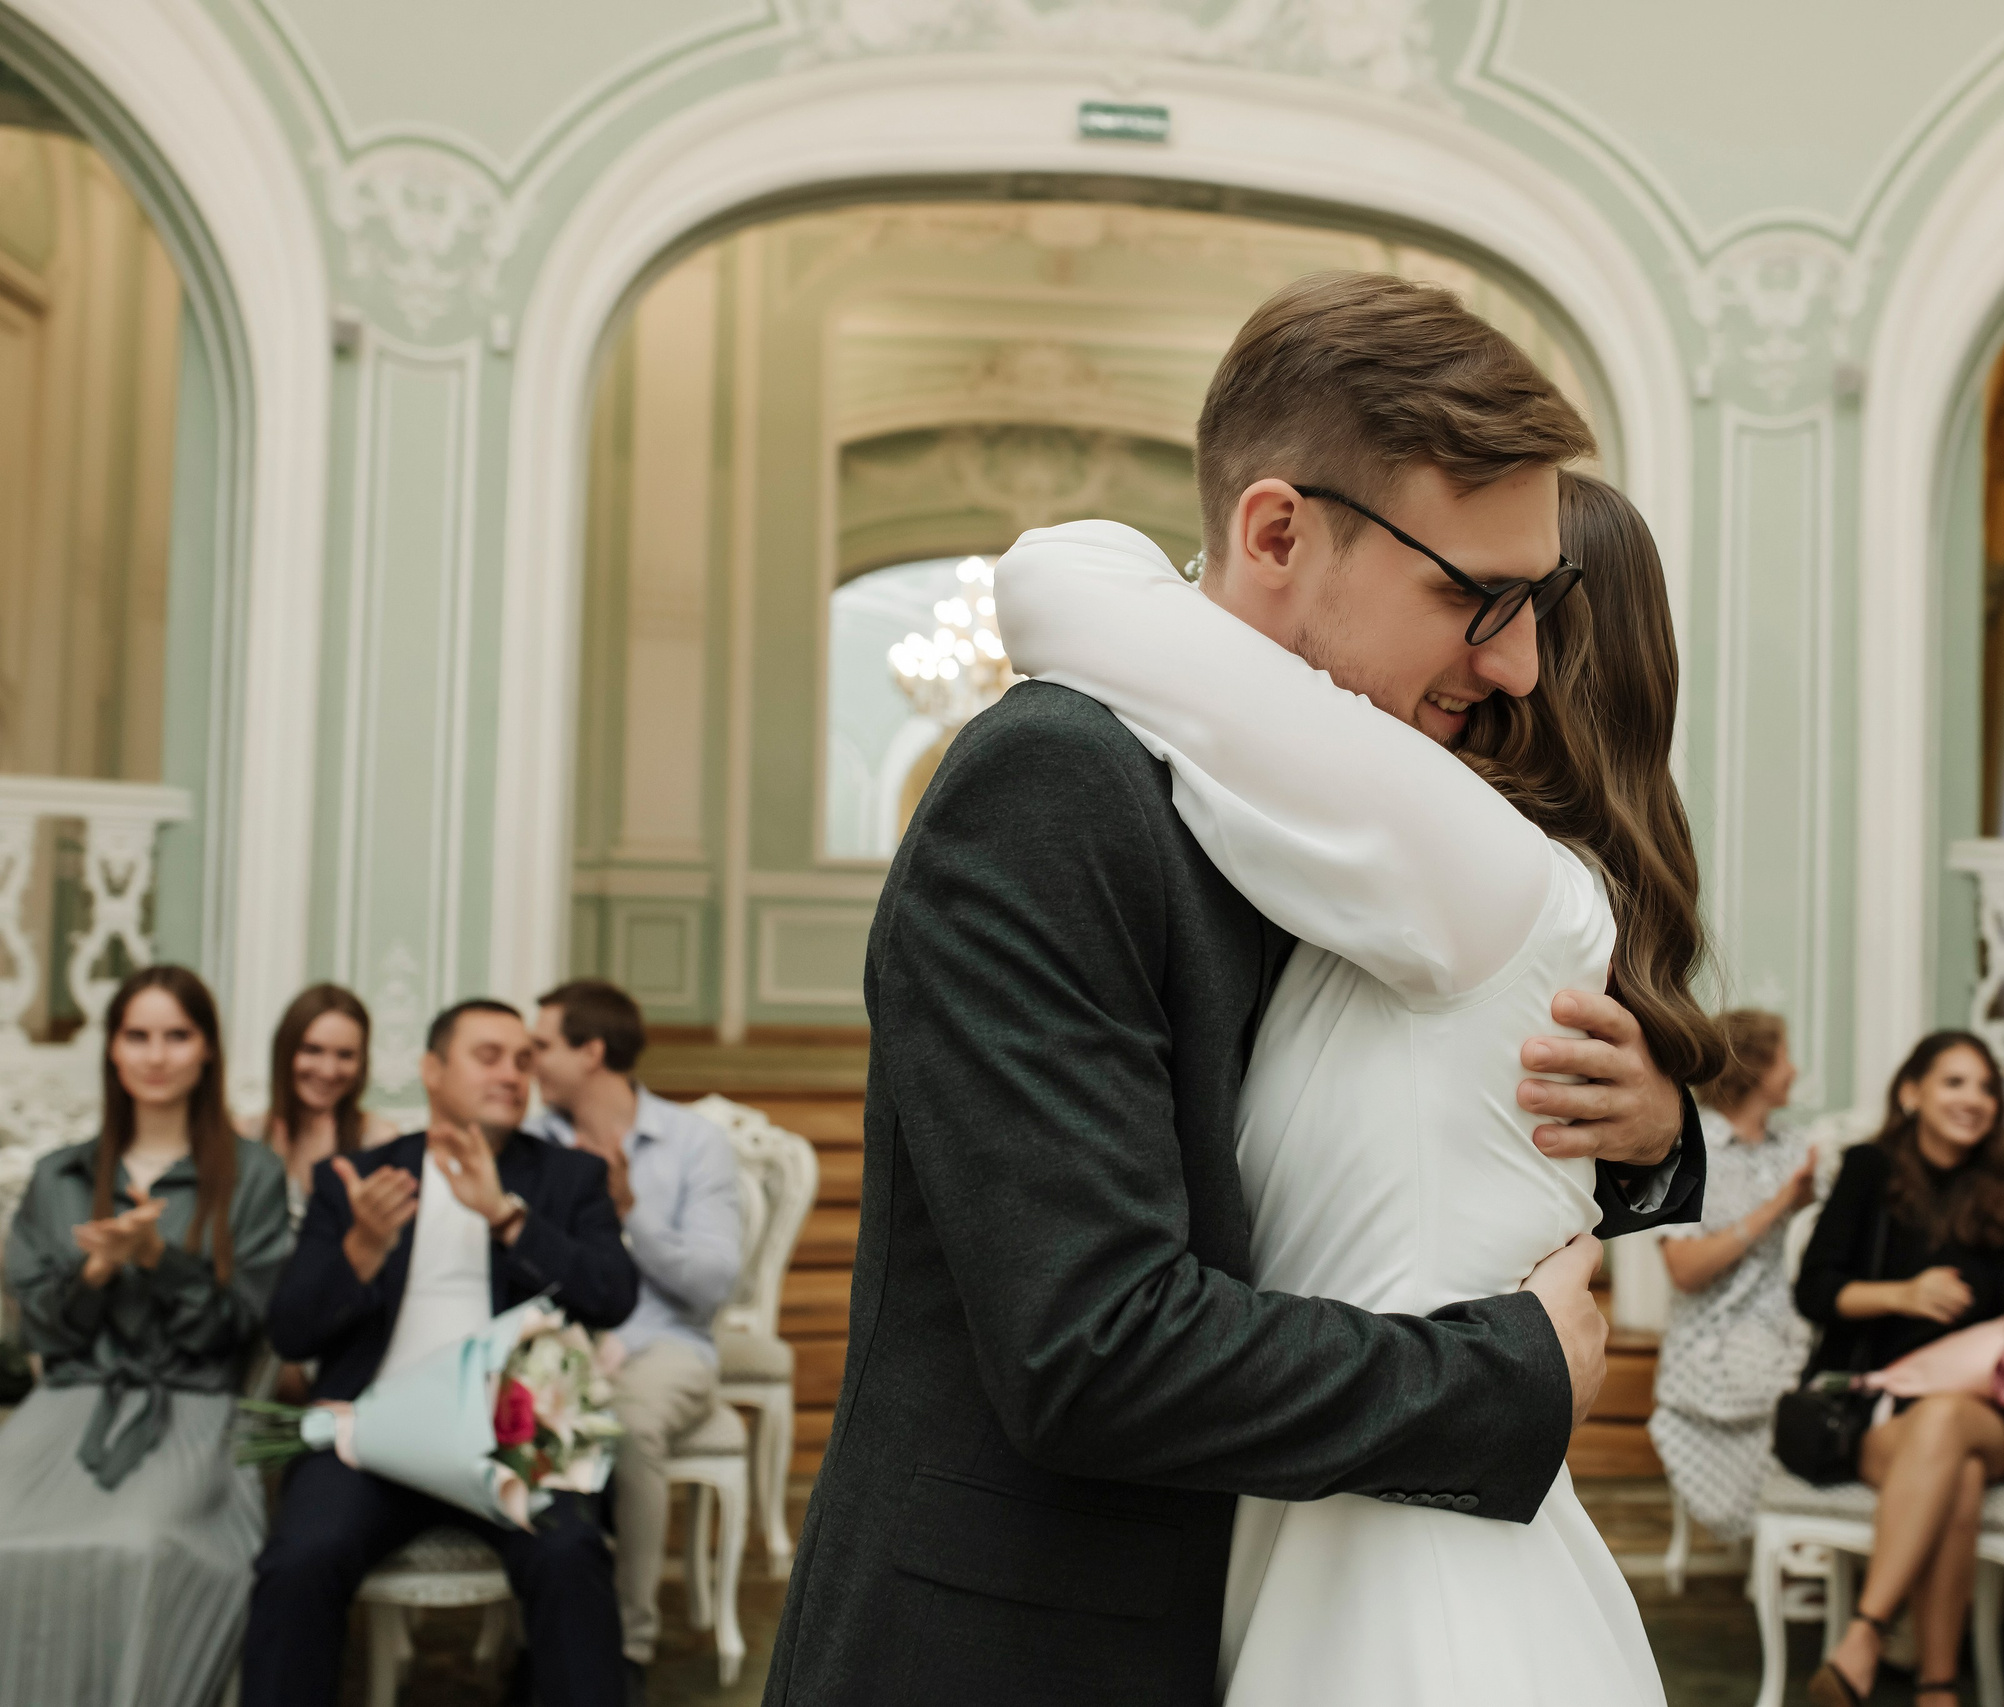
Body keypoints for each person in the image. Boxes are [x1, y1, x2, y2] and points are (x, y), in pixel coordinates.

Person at [763, 272, 1707, 1707]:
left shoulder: (1373, 828)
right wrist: (1502, 1379)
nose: (1513, 660)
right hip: (1021, 1642)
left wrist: (1651, 1134)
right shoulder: (1059, 783)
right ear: (1275, 530)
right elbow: (1090, 1341)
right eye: (1474, 594)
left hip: (1278, 1608)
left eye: (1542, 609)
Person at [1001, 465, 1717, 1704]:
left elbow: (1055, 581)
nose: (1452, 630)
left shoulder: (1475, 868)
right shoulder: (1448, 890)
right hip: (1347, 1521)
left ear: (1539, 653)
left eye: (1478, 598)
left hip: (1407, 1564)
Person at [242, 1000, 639, 1707]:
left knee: (570, 1555)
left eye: (523, 1059)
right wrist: (361, 1251)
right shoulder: (358, 1178)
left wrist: (507, 1217)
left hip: (516, 1438)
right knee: (300, 1559)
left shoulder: (567, 1178)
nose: (512, 1073)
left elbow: (612, 1295)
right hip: (371, 1435)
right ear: (432, 1070)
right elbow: (292, 1333)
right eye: (488, 1055)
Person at [1794, 1030, 2004, 1707]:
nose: (1973, 1098)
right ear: (1912, 1092)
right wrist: (1902, 1294)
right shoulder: (1869, 1171)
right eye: (1954, 1082)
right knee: (1958, 1475)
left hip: (1993, 1414)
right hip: (1880, 1406)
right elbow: (1815, 1289)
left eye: (1985, 1086)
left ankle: (1865, 1633)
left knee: (1949, 1424)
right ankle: (1939, 1686)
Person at [0, 965, 292, 1707]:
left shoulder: (252, 1174)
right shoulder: (57, 1175)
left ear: (206, 1052)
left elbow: (243, 1327)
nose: (156, 1055)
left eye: (176, 1035)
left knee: (143, 1547)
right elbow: (42, 1330)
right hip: (69, 1404)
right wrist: (96, 1270)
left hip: (192, 1407)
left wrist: (161, 1261)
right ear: (113, 1050)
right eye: (137, 1035)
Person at [528, 977, 742, 1688]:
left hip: (667, 1343)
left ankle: (625, 1644)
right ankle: (543, 1636)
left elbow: (714, 1282)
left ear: (591, 1051)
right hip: (560, 1343)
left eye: (541, 1046)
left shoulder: (692, 1142)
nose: (528, 1062)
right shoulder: (535, 1145)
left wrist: (631, 1211)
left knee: (628, 1420)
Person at [1648, 1009, 1818, 1544]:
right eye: (1785, 1056)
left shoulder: (1798, 1150)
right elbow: (1686, 1270)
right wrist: (1781, 1205)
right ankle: (1784, 1541)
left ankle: (1802, 1541)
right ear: (1757, 1068)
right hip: (1718, 1341)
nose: (1794, 1070)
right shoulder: (1687, 1153)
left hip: (1794, 1336)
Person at [255, 982, 399, 1223]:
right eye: (312, 1050)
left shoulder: (380, 1140)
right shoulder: (245, 1135)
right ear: (285, 1050)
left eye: (345, 1055)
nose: (328, 1071)